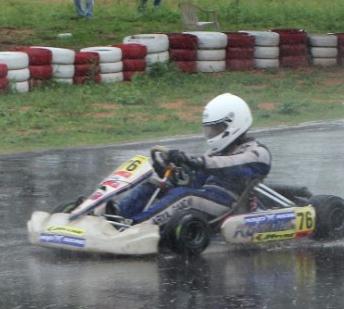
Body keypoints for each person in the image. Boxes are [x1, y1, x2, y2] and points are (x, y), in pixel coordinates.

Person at [112, 93, 272, 226]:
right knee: (154, 184)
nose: (212, 133)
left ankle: (135, 227)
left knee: (186, 197)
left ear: (233, 125)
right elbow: (195, 180)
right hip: (206, 196)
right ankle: (115, 215)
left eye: (217, 129)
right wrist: (174, 173)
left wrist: (198, 162)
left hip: (228, 202)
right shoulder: (215, 152)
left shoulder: (257, 153)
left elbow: (229, 165)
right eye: (211, 129)